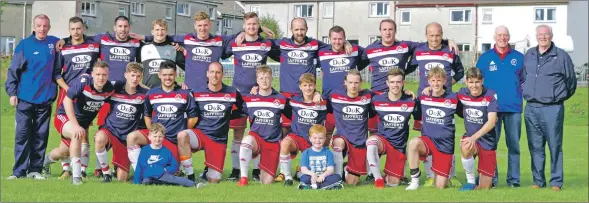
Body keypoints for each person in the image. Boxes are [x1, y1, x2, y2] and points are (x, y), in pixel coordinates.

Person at [227, 12, 280, 182]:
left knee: (259, 132)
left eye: (255, 24)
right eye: (248, 24)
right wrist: (238, 34)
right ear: (244, 26)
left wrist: (266, 31)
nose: (251, 27)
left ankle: (257, 170)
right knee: (237, 134)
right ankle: (236, 170)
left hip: (260, 95)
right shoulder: (236, 42)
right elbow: (220, 44)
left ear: (259, 26)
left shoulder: (265, 44)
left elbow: (282, 53)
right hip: (240, 95)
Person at [5, 14, 60, 180]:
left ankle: (35, 170)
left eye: (45, 26)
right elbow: (13, 70)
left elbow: (58, 68)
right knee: (22, 135)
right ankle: (18, 172)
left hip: (45, 100)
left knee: (40, 136)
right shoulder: (24, 45)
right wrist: (12, 93)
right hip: (25, 99)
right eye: (39, 25)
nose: (42, 29)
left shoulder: (54, 43)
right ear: (34, 27)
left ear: (49, 27)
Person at [522, 24, 577, 191]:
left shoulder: (561, 56)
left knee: (554, 145)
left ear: (551, 36)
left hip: (552, 108)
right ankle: (538, 181)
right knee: (535, 146)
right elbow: (524, 77)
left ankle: (556, 182)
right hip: (531, 108)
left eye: (546, 34)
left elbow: (571, 83)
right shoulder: (529, 54)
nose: (543, 37)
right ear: (536, 36)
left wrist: (557, 96)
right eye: (540, 34)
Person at [44, 62, 115, 185]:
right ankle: (76, 177)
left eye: (104, 75)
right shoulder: (84, 81)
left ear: (108, 75)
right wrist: (76, 125)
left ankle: (44, 162)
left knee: (63, 152)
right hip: (64, 116)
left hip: (81, 123)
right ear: (92, 74)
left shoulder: (110, 89)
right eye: (98, 74)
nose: (100, 77)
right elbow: (67, 101)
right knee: (76, 134)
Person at [411, 22, 464, 187]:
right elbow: (408, 67)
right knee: (425, 136)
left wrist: (445, 86)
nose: (434, 38)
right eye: (431, 35)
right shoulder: (418, 51)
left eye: (438, 35)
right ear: (426, 35)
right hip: (425, 101)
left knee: (447, 134)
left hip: (445, 101)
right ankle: (428, 174)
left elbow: (460, 71)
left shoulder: (450, 50)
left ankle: (451, 174)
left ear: (442, 35)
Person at [49, 16, 101, 180]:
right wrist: (68, 88)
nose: (76, 32)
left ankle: (82, 171)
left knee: (83, 131)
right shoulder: (63, 48)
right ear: (69, 30)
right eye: (72, 29)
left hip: (87, 95)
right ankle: (66, 169)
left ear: (83, 28)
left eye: (78, 28)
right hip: (69, 94)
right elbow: (57, 74)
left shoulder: (93, 45)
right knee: (68, 133)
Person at [175, 62, 244, 183]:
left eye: (218, 72)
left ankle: (207, 172)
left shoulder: (232, 92)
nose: (215, 75)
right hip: (200, 134)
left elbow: (244, 109)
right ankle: (190, 175)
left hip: (218, 139)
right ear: (207, 74)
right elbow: (185, 110)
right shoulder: (196, 92)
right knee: (182, 135)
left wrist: (227, 117)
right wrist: (177, 86)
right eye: (212, 72)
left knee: (214, 180)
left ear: (223, 74)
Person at [475, 25, 524, 188]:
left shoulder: (519, 57)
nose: (502, 38)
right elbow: (476, 81)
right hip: (491, 110)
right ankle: (492, 179)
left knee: (514, 146)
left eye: (505, 35)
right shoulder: (485, 58)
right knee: (490, 146)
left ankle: (514, 180)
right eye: (499, 35)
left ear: (509, 37)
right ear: (494, 37)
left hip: (513, 108)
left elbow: (525, 81)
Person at [126, 61, 198, 172]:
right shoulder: (151, 93)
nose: (167, 78)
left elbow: (193, 117)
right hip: (157, 136)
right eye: (164, 75)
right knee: (132, 137)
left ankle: (186, 171)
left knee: (172, 171)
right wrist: (152, 132)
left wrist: (182, 132)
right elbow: (147, 115)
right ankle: (138, 172)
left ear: (176, 75)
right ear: (159, 75)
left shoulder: (185, 93)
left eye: (170, 75)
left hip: (173, 139)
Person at [93, 62, 148, 182]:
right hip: (110, 129)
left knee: (122, 179)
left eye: (138, 76)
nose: (135, 79)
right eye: (132, 75)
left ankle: (117, 169)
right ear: (126, 75)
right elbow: (96, 93)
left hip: (126, 137)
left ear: (141, 77)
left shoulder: (144, 94)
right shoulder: (114, 89)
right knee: (99, 138)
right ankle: (106, 173)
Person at [405, 67, 458, 190]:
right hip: (428, 141)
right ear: (429, 81)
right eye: (433, 80)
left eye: (439, 80)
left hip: (445, 145)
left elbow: (467, 110)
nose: (436, 83)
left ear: (444, 81)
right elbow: (412, 108)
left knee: (440, 186)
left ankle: (448, 170)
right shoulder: (423, 97)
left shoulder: (453, 98)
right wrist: (407, 92)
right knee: (413, 143)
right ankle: (414, 181)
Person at [367, 68, 419, 188]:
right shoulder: (377, 100)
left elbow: (420, 118)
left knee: (393, 183)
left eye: (398, 82)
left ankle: (392, 174)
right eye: (392, 82)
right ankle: (377, 178)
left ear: (403, 83)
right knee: (371, 142)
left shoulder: (411, 100)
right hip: (383, 140)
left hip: (398, 145)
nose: (395, 85)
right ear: (387, 83)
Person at [237, 65, 288, 186]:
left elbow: (292, 117)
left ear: (272, 79)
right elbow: (237, 111)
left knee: (266, 182)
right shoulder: (250, 98)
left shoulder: (281, 99)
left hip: (272, 142)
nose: (264, 80)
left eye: (267, 77)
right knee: (246, 141)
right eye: (261, 78)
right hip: (256, 138)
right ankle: (243, 178)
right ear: (257, 80)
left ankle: (265, 169)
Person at [318, 26, 369, 145]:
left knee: (350, 134)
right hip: (329, 100)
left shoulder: (354, 50)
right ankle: (326, 159)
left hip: (349, 100)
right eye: (334, 39)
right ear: (329, 39)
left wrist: (348, 43)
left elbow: (369, 54)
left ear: (344, 39)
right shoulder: (321, 52)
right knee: (325, 133)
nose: (337, 42)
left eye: (340, 39)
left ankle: (351, 160)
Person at [276, 73, 327, 186]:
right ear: (300, 87)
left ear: (314, 86)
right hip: (297, 136)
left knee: (311, 176)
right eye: (305, 85)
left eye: (310, 85)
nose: (308, 88)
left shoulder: (323, 102)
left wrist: (318, 93)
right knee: (284, 143)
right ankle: (287, 177)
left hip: (314, 140)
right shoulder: (293, 100)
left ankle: (299, 171)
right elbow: (275, 97)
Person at [327, 69, 375, 185]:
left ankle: (345, 168)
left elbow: (390, 96)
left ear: (361, 83)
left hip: (359, 141)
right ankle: (337, 178)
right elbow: (322, 103)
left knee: (352, 182)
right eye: (350, 82)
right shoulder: (334, 95)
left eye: (356, 83)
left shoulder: (368, 95)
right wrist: (317, 94)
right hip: (342, 136)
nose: (353, 86)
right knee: (338, 142)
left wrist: (407, 92)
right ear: (345, 82)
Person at [455, 68, 499, 191]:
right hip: (471, 139)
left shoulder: (490, 95)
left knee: (484, 188)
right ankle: (470, 181)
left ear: (482, 81)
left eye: (477, 82)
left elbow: (491, 123)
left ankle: (484, 177)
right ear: (466, 82)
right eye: (471, 82)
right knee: (465, 144)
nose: (474, 86)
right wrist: (428, 90)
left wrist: (474, 137)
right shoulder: (462, 94)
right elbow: (444, 96)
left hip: (488, 142)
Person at [134, 123, 198, 188]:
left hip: (162, 175)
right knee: (146, 182)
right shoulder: (145, 150)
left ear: (163, 137)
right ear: (149, 137)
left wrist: (165, 170)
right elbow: (139, 167)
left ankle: (193, 184)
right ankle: (160, 183)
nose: (157, 139)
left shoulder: (166, 151)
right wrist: (136, 182)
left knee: (174, 180)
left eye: (160, 136)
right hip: (148, 176)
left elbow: (174, 165)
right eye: (155, 136)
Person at [139, 19, 186, 88]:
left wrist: (185, 83)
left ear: (166, 32)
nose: (160, 32)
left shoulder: (174, 49)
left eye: (163, 29)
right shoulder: (143, 48)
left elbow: (189, 68)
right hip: (148, 92)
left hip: (168, 92)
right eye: (157, 30)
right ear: (152, 32)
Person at [297, 125, 343, 190]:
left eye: (320, 138)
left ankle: (313, 187)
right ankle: (325, 187)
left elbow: (330, 170)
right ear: (310, 138)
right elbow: (304, 169)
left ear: (324, 139)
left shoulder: (328, 153)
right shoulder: (306, 153)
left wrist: (323, 175)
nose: (317, 140)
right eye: (315, 138)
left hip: (324, 177)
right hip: (311, 176)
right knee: (304, 178)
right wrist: (313, 174)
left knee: (337, 177)